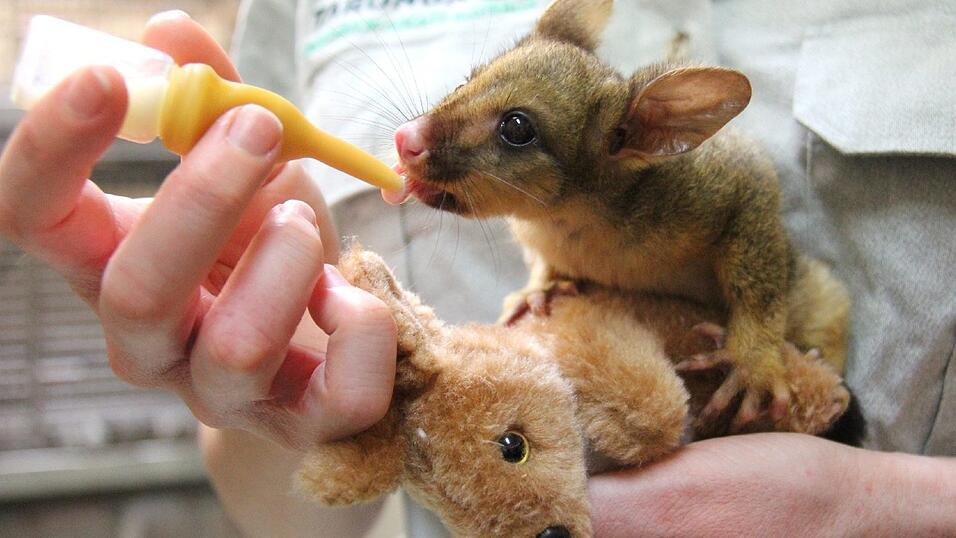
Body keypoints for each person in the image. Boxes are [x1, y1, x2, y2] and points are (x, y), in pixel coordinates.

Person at [0, 1, 953, 537]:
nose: (413, 142)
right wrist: (279, 389)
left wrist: (868, 505)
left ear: (637, 139)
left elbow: (744, 197)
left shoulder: (671, 174)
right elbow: (290, 522)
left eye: (515, 130)